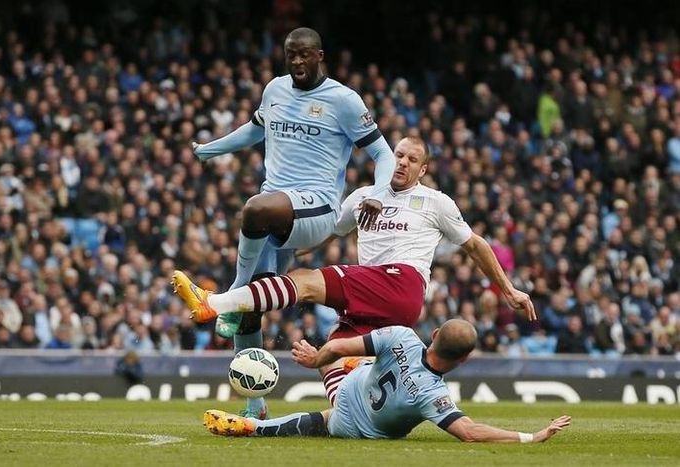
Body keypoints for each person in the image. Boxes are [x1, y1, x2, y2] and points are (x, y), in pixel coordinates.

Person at [173, 136, 535, 396]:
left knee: (305, 282)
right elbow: (328, 232)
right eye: (398, 155)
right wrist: (287, 246)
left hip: (401, 283)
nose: (402, 163)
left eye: (412, 160)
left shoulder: (435, 202)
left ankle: (214, 304)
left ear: (423, 169)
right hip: (378, 305)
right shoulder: (364, 196)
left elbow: (475, 245)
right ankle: (352, 412)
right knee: (330, 354)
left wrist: (509, 289)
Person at [189, 27, 396, 418]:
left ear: (320, 55)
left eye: (304, 55)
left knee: (254, 209)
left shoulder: (344, 100)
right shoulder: (274, 90)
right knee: (254, 302)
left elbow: (383, 155)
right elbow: (254, 130)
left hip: (316, 209)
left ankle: (228, 295)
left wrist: (376, 194)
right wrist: (210, 150)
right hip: (279, 210)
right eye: (290, 55)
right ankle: (255, 405)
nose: (297, 62)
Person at [202, 319, 571, 442]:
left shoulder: (403, 336)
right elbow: (471, 433)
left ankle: (256, 411)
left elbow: (340, 343)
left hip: (349, 386)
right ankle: (253, 426)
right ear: (463, 360)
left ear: (436, 331)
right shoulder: (434, 396)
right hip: (354, 424)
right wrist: (531, 436)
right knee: (328, 417)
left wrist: (318, 357)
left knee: (340, 358)